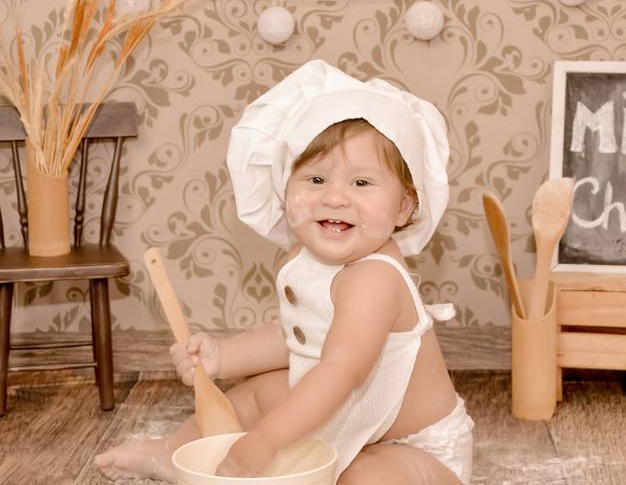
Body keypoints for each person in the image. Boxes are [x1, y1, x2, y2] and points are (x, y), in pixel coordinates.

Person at [94, 59, 474, 484]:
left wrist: (268, 440)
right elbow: (299, 337)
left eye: (361, 183)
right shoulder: (302, 258)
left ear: (404, 206)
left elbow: (340, 369)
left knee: (362, 477)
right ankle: (172, 452)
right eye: (316, 180)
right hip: (340, 417)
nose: (335, 198)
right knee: (253, 396)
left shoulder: (375, 279)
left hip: (411, 447)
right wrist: (225, 355)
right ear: (284, 189)